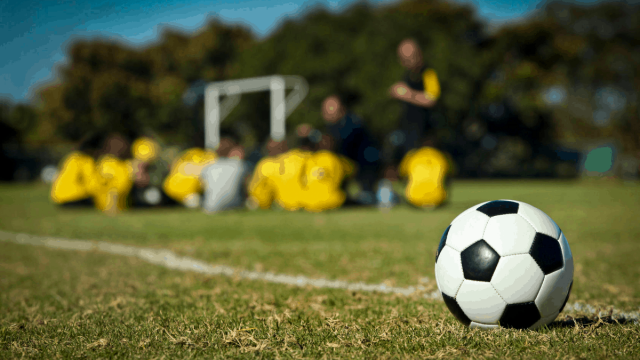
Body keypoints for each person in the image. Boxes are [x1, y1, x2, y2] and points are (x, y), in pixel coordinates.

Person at [321, 95, 381, 205]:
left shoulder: (351, 123)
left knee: (366, 197)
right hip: (356, 163)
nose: (326, 113)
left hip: (365, 164)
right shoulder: (334, 125)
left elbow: (340, 146)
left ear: (342, 109)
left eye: (330, 109)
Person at [50, 133, 102, 207]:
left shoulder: (71, 157)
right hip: (74, 198)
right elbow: (92, 185)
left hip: (58, 198)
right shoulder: (86, 160)